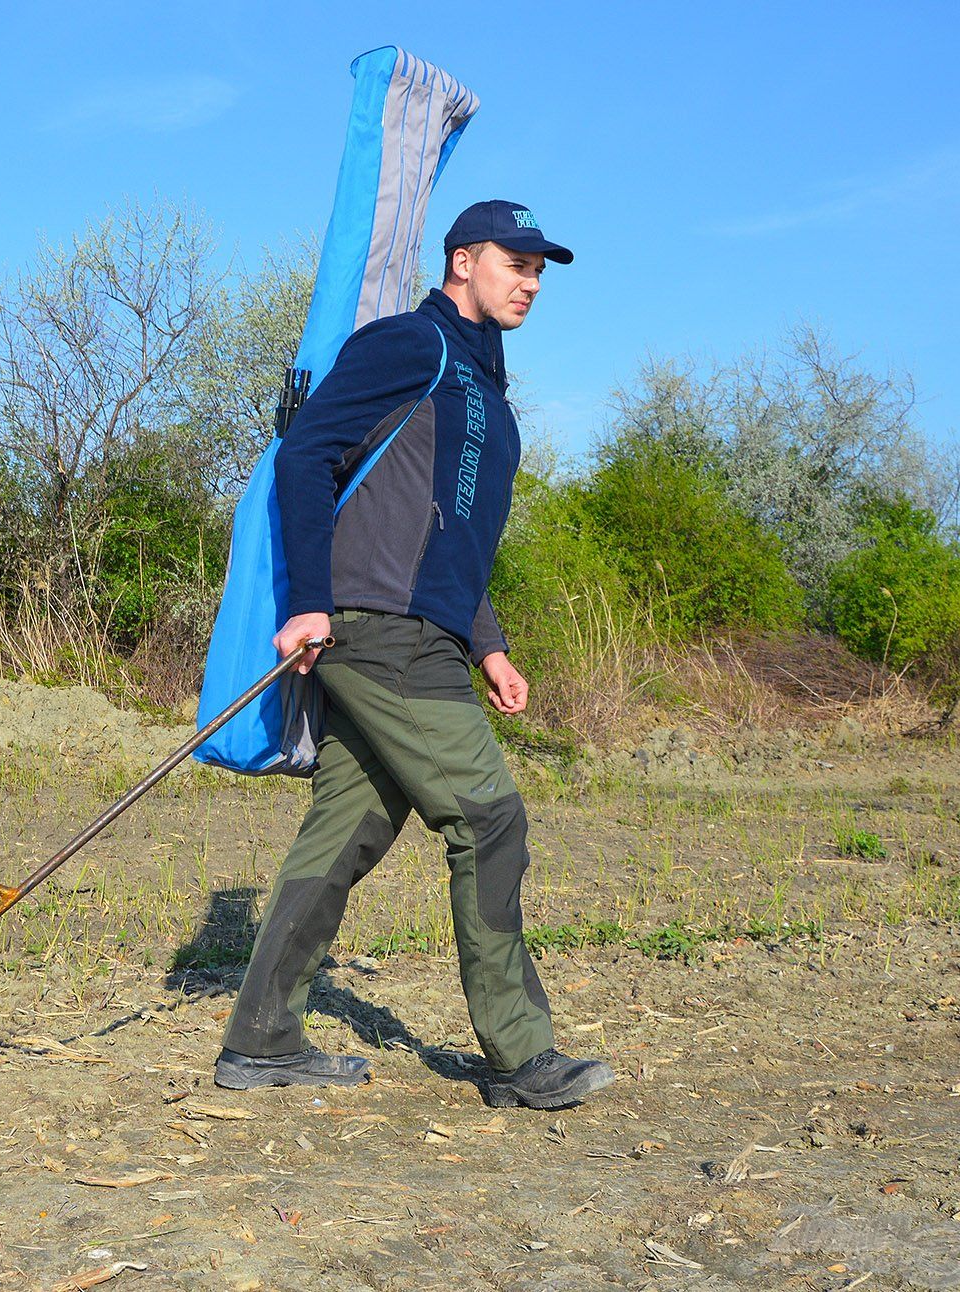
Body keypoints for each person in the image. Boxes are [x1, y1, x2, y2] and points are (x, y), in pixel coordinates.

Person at [213, 201, 615, 1110]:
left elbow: (450, 538)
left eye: (541, 270)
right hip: (380, 626)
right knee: (490, 818)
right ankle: (522, 1058)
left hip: (425, 629)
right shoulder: (410, 345)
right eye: (516, 263)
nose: (531, 282)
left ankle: (263, 1040)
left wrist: (489, 644)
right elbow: (305, 450)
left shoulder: (483, 383)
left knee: (346, 829)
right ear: (463, 260)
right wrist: (310, 598)